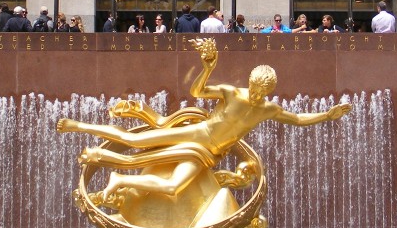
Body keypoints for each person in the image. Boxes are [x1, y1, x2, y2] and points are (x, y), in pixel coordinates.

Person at [56, 38, 351, 207]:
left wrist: (327, 115)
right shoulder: (233, 93)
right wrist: (208, 68)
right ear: (249, 81)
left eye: (263, 90)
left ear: (270, 90)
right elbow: (197, 92)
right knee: (133, 141)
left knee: (173, 187)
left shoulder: (268, 109)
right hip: (196, 133)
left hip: (209, 154)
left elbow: (298, 119)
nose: (256, 93)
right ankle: (78, 126)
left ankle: (120, 179)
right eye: (254, 86)